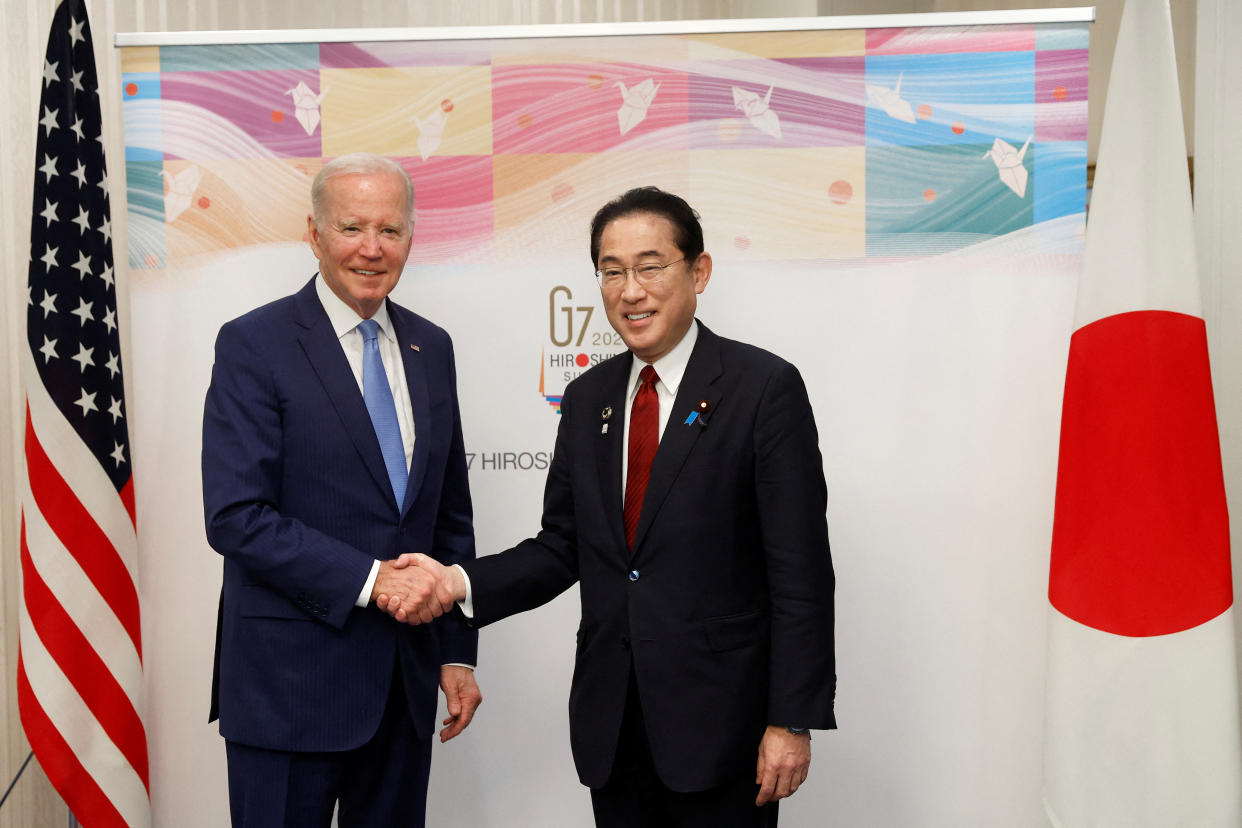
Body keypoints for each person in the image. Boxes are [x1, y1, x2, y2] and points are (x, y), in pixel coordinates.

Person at [386, 186, 835, 827]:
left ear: (698, 271)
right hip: (613, 727)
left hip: (724, 729)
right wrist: (455, 580)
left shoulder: (763, 388)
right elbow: (562, 545)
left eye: (651, 267)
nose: (631, 290)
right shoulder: (587, 396)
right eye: (612, 271)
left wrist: (791, 718)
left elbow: (801, 574)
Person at [201, 152, 479, 827]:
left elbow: (447, 513)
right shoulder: (254, 344)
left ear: (411, 237)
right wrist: (373, 580)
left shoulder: (431, 347)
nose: (373, 249)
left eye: (391, 230)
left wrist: (457, 654)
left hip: (403, 689)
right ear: (314, 233)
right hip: (287, 690)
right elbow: (237, 516)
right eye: (353, 227)